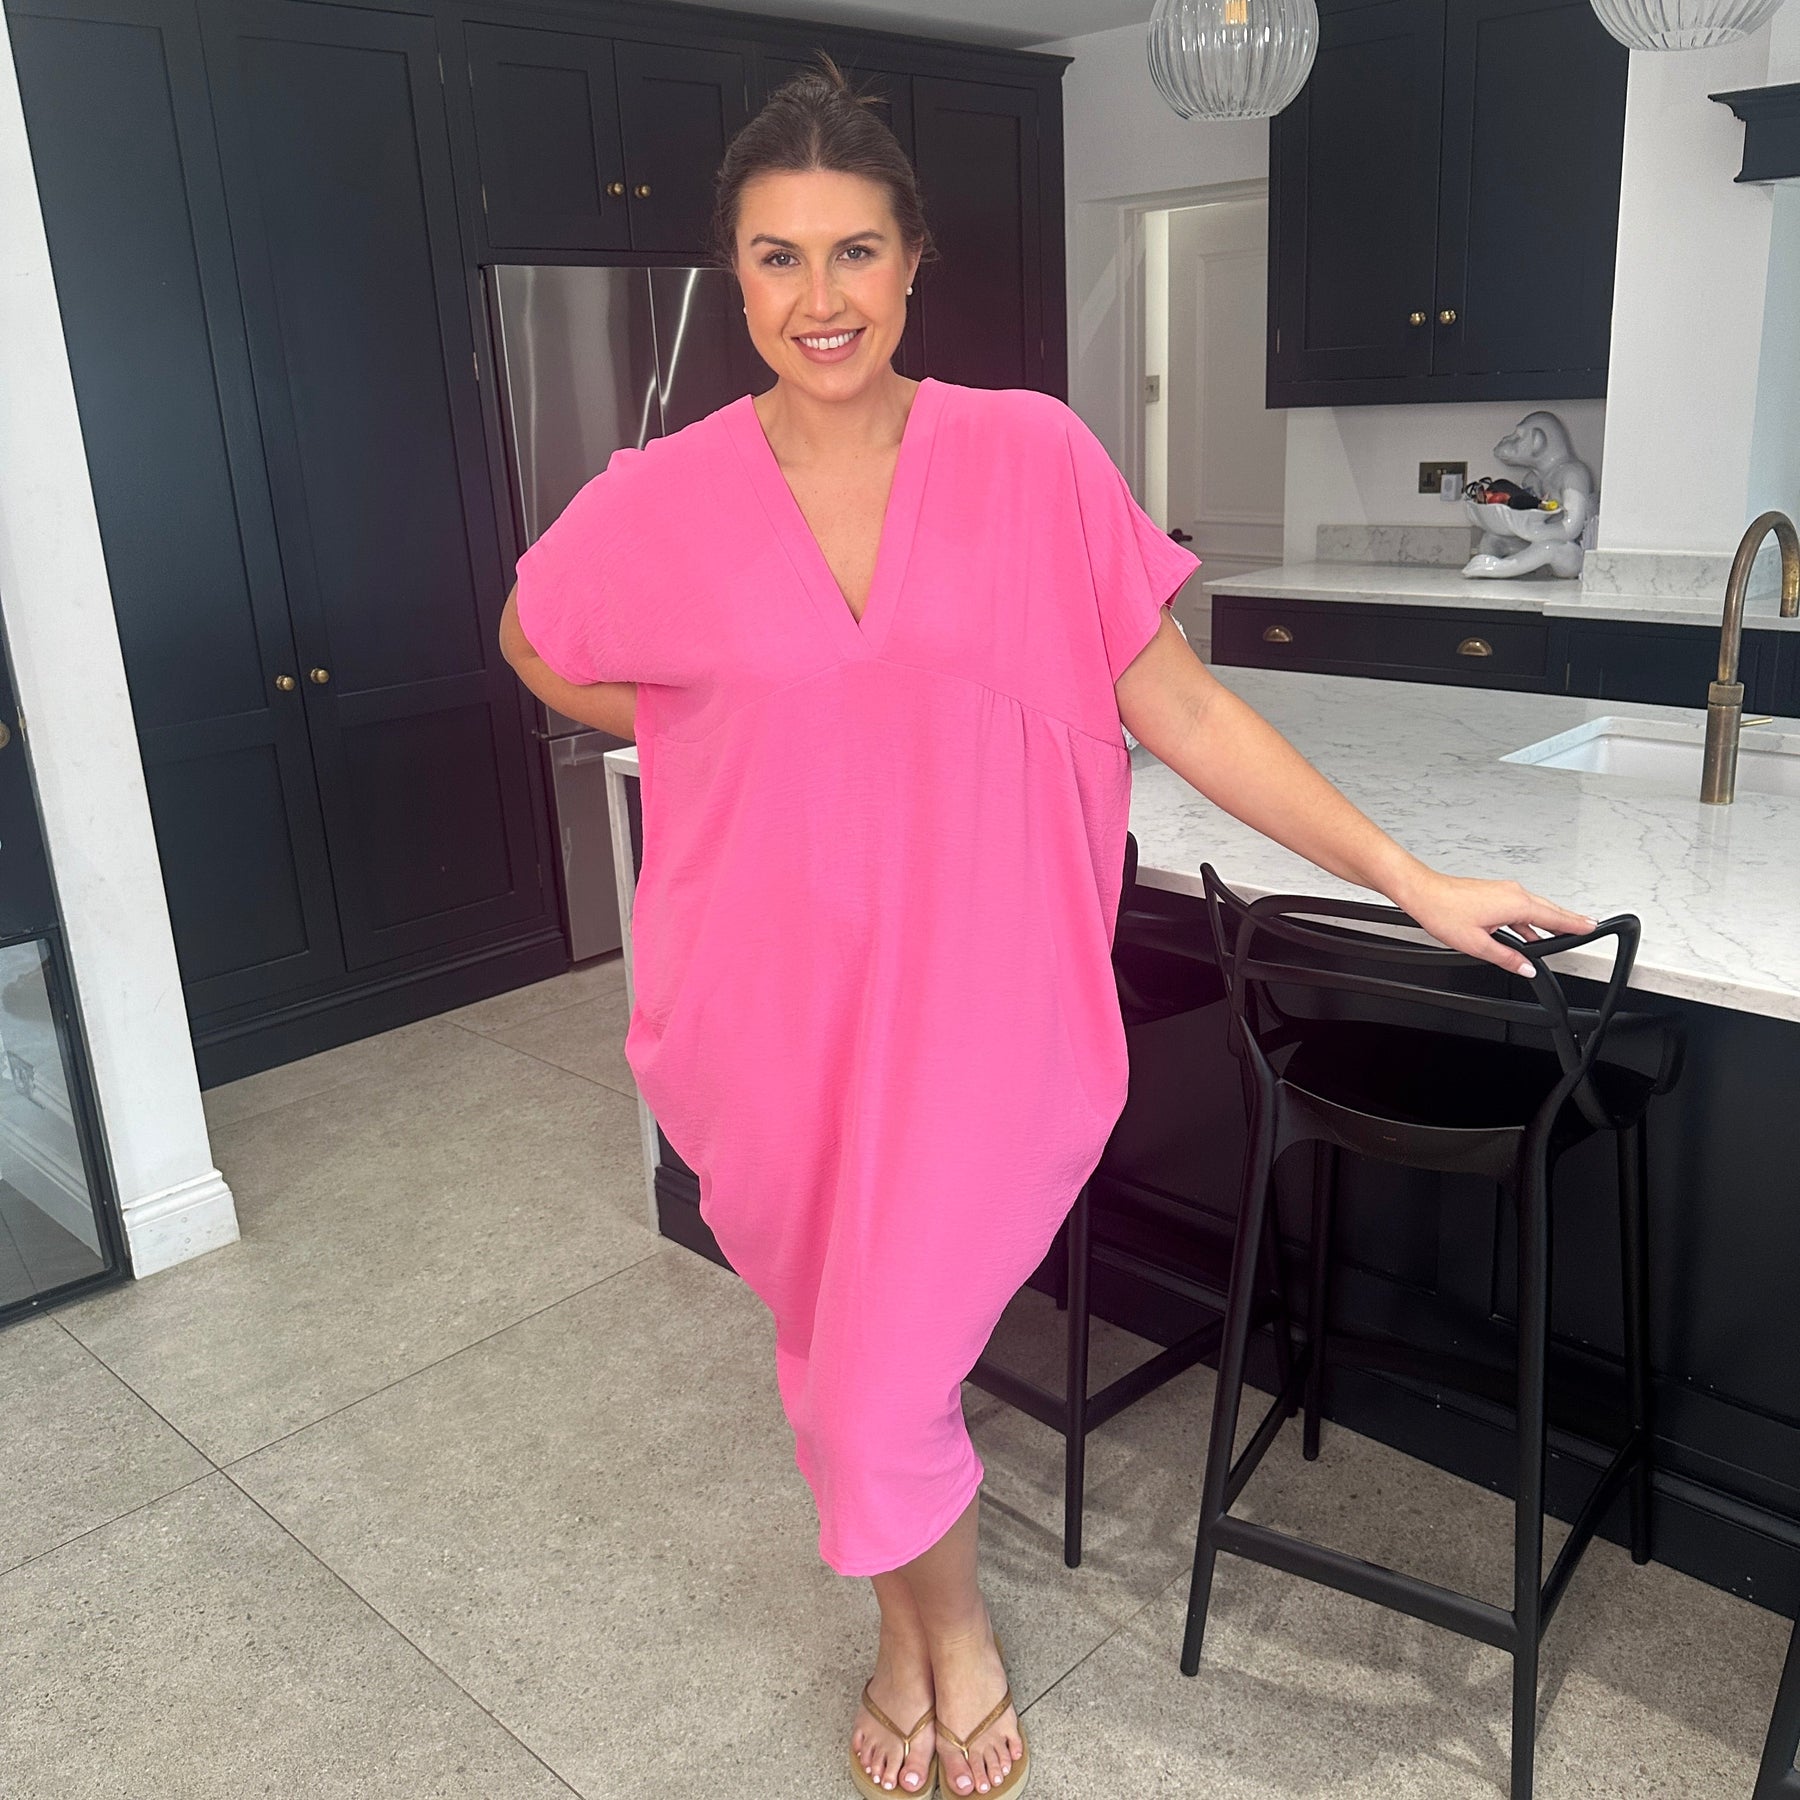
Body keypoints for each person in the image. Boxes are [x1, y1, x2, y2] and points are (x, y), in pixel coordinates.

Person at [497, 55, 1596, 1800]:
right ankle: (923, 1630)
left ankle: (932, 1639)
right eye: (777, 257)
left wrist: (1411, 879)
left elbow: (1187, 708)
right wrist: (696, 717)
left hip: (978, 1015)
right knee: (842, 1355)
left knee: (872, 1377)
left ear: (913, 259)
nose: (819, 296)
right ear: (737, 275)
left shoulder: (1029, 458)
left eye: (855, 251)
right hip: (764, 1009)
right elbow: (534, 635)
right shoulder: (669, 492)